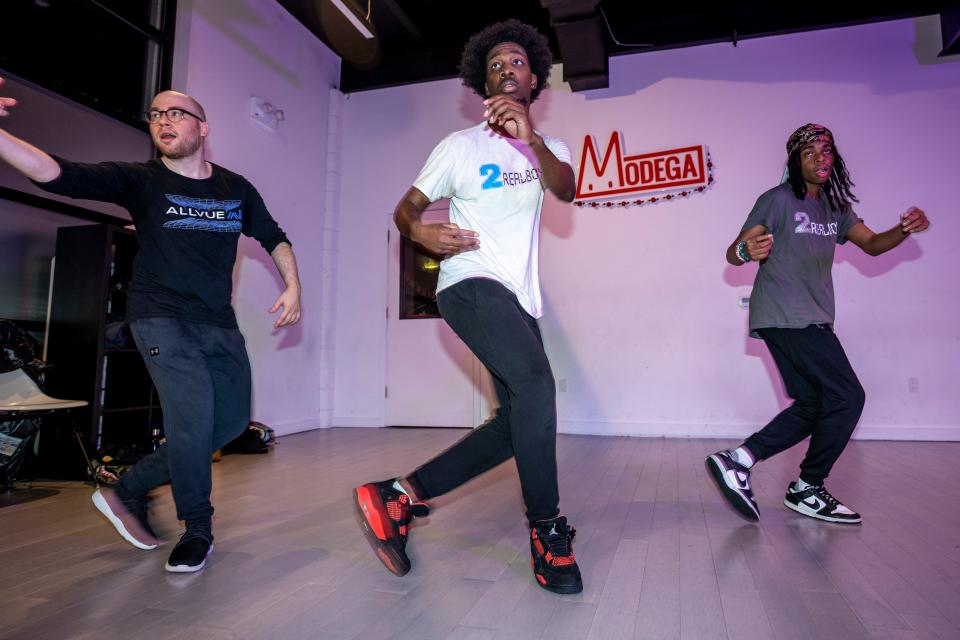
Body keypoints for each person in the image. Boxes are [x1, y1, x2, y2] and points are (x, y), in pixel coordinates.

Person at [0, 77, 302, 571]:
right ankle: (197, 528)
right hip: (160, 317)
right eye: (156, 113)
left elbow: (273, 236)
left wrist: (293, 285)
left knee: (225, 426)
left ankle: (129, 489)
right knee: (192, 420)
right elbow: (57, 173)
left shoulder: (235, 187)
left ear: (203, 128)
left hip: (218, 322)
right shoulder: (140, 180)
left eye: (176, 113)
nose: (163, 119)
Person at [351, 20, 582, 594]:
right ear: (483, 82)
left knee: (514, 423)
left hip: (519, 297)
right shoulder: (459, 147)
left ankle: (398, 496)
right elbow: (406, 210)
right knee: (537, 388)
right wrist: (421, 235)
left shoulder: (549, 148)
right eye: (496, 65)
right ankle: (546, 529)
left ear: (535, 78)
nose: (507, 69)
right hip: (469, 283)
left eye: (517, 62)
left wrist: (528, 138)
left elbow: (567, 189)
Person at [706, 123, 930, 524]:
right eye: (809, 153)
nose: (819, 158)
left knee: (814, 404)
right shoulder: (776, 200)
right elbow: (733, 252)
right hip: (786, 314)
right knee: (848, 396)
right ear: (795, 161)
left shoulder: (836, 208)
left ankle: (737, 460)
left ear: (835, 157)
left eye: (825, 151)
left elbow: (873, 245)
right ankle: (808, 486)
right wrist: (746, 248)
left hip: (811, 318)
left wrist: (903, 230)